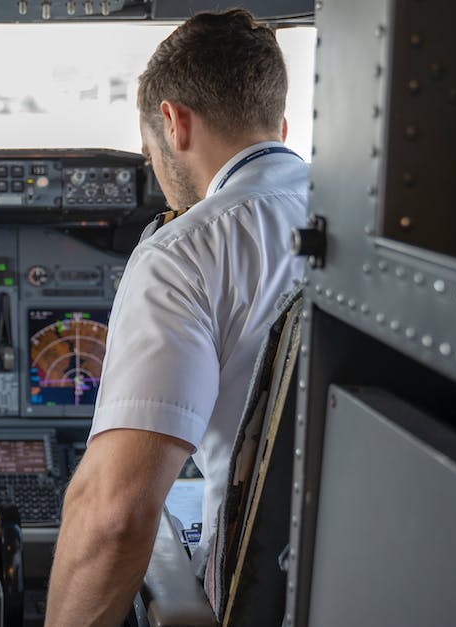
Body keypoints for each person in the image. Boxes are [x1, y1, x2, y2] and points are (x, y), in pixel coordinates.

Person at [45, 9, 308, 625]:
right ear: (279, 128)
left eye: (150, 153)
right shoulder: (372, 226)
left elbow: (116, 515)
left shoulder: (186, 250)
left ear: (173, 123)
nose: (161, 180)